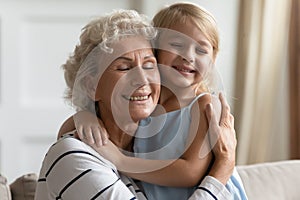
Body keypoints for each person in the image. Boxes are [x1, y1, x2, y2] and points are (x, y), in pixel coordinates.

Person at [35, 9, 236, 200]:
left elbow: (190, 170)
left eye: (149, 65)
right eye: (123, 67)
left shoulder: (135, 148)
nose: (142, 79)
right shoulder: (75, 157)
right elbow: (65, 135)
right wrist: (222, 169)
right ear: (91, 86)